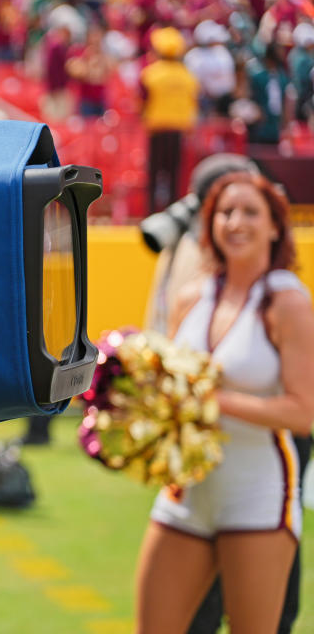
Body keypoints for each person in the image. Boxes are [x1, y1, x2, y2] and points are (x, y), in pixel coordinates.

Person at [135, 171, 314, 633]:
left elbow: (303, 413)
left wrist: (215, 400)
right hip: (187, 489)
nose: (236, 222)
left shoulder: (287, 302)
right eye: (225, 213)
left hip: (258, 492)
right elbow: (171, 391)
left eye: (250, 212)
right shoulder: (191, 295)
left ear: (275, 226)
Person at [140, 26, 198, 214]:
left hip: (156, 130)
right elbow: (193, 103)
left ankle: (150, 213)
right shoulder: (187, 76)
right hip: (177, 132)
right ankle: (172, 215)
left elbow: (141, 101)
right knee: (174, 176)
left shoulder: (151, 74)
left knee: (154, 176)